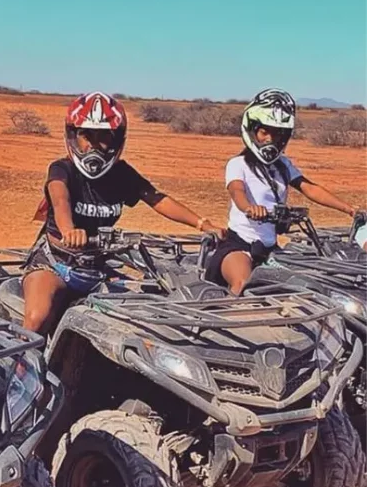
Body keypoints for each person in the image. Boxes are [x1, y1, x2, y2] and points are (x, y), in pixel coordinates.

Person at [23, 91, 223, 334]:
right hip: (55, 264)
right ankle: (22, 368)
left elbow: (157, 199)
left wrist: (203, 223)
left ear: (117, 140)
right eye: (87, 136)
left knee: (140, 316)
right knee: (37, 317)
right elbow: (60, 198)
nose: (94, 146)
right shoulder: (61, 169)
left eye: (103, 137)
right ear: (73, 136)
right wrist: (69, 230)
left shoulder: (122, 173)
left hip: (97, 266)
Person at [204, 89, 363, 293]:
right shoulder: (238, 164)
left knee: (300, 285)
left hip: (270, 249)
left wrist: (349, 209)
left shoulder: (283, 165)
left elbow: (309, 188)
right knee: (243, 283)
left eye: (277, 133)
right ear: (252, 130)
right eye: (264, 132)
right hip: (239, 245)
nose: (271, 139)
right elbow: (237, 192)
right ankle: (227, 320)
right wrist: (250, 208)